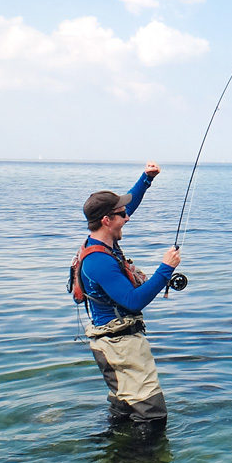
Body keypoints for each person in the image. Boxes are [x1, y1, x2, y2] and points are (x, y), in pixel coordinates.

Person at [77, 161, 181, 436]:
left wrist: (146, 179)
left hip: (111, 344)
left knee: (124, 409)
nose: (128, 217)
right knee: (152, 414)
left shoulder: (101, 241)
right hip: (120, 346)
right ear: (106, 220)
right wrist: (165, 268)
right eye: (121, 214)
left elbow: (128, 206)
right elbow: (133, 302)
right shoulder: (99, 261)